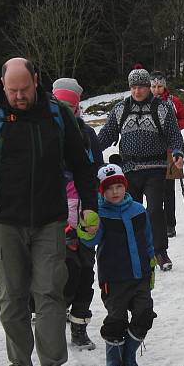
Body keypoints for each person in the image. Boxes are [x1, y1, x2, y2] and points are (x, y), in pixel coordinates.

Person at [0, 57, 98, 366]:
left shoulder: (57, 114)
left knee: (50, 294)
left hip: (51, 221)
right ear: (3, 85)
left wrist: (89, 208)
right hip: (6, 223)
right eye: (12, 90)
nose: (19, 96)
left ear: (36, 80)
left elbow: (82, 165)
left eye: (24, 89)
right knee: (12, 298)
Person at [97, 68, 184, 271]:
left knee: (154, 210)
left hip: (155, 167)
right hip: (128, 169)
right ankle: (135, 251)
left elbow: (174, 134)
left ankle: (160, 251)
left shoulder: (161, 108)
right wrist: (91, 150)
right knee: (131, 211)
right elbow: (107, 133)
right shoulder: (120, 109)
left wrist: (178, 152)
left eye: (142, 87)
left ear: (148, 87)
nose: (137, 91)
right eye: (134, 87)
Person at [78, 164, 157, 366]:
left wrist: (151, 264)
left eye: (118, 187)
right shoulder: (99, 214)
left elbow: (148, 239)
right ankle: (113, 362)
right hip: (114, 278)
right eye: (109, 188)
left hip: (140, 274)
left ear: (125, 187)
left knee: (144, 313)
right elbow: (90, 241)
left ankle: (129, 356)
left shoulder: (138, 210)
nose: (115, 192)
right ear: (102, 191)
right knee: (117, 319)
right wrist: (86, 228)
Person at [52, 78, 104, 351]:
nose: (65, 112)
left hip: (84, 212)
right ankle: (53, 318)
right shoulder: (44, 132)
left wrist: (94, 208)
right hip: (53, 217)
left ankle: (80, 326)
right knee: (59, 272)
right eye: (60, 106)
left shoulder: (87, 135)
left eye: (70, 107)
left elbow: (96, 169)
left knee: (85, 270)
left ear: (77, 108)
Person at [150, 71, 184, 238]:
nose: (156, 90)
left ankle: (170, 224)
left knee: (169, 190)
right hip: (152, 152)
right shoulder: (146, 103)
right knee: (153, 191)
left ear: (164, 86)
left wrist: (173, 128)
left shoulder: (173, 101)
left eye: (159, 86)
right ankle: (155, 224)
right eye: (153, 86)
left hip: (172, 151)